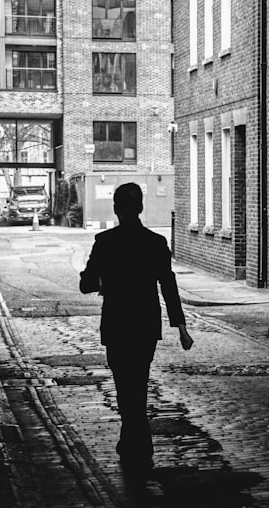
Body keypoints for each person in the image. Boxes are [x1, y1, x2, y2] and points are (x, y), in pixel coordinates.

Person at [79, 183, 194, 472]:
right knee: (139, 381)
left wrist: (104, 280)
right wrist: (180, 325)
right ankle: (138, 438)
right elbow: (168, 285)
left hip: (117, 323)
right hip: (145, 323)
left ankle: (132, 436)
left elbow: (86, 284)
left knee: (123, 384)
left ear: (116, 209)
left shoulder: (105, 242)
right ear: (141, 207)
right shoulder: (155, 243)